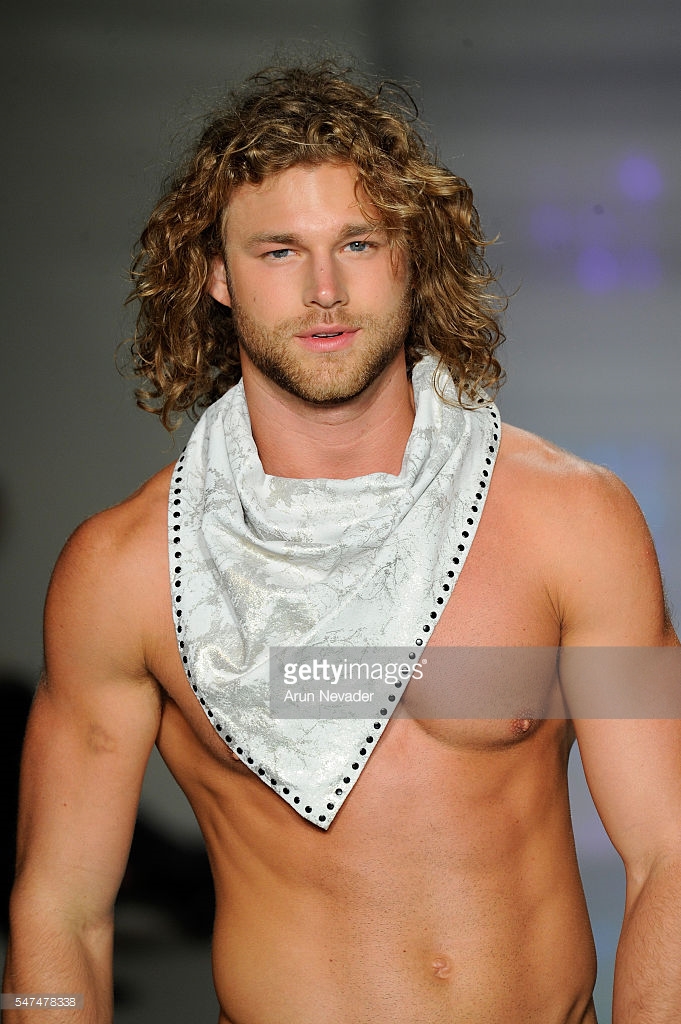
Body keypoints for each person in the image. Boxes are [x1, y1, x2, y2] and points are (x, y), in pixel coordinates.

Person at [4, 61, 681, 1024]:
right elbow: (59, 912)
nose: (324, 290)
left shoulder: (572, 523)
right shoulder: (124, 575)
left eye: (357, 242)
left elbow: (669, 853)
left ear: (411, 255)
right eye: (279, 250)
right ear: (216, 274)